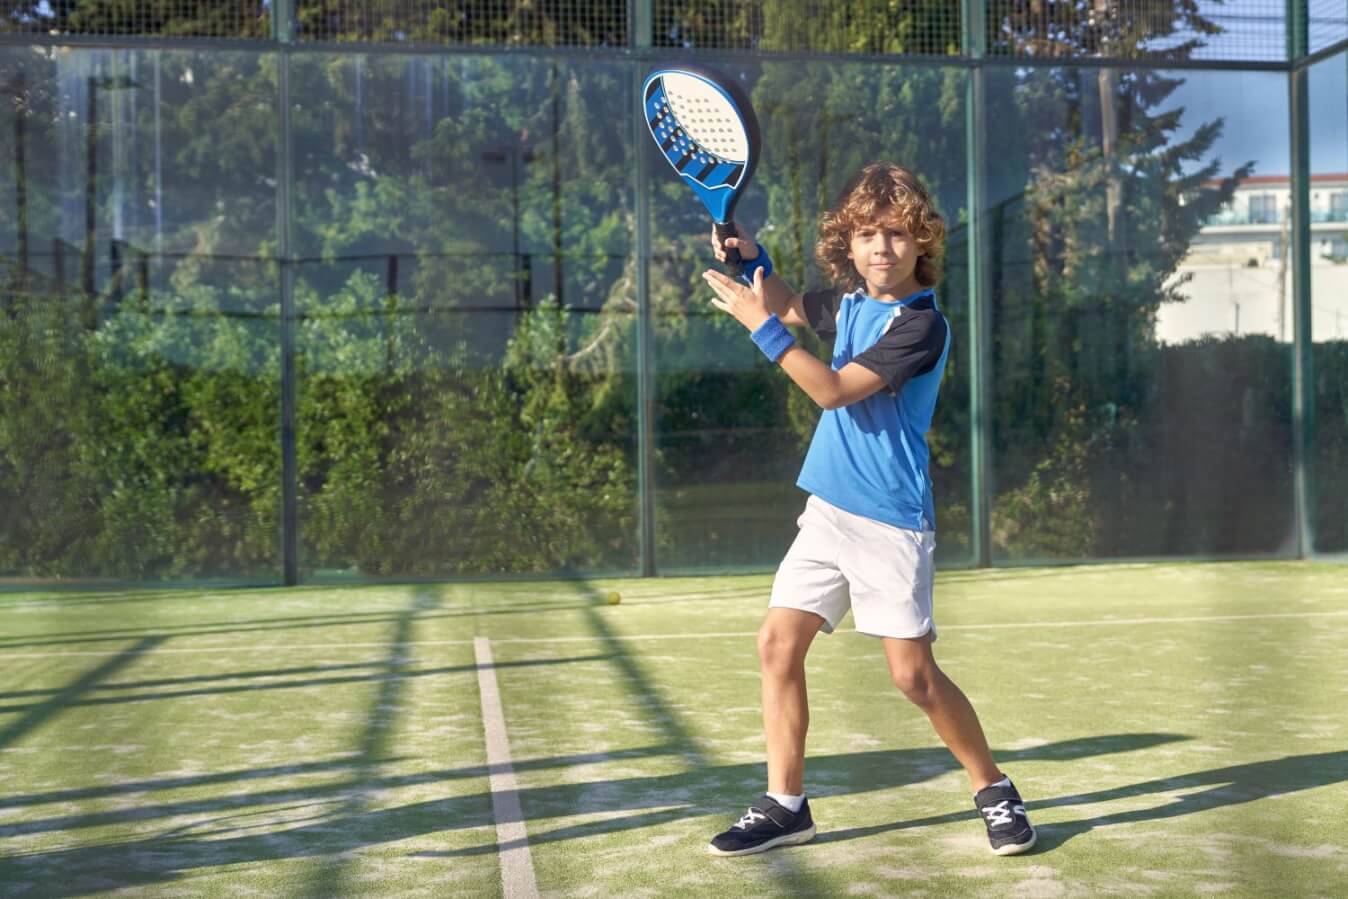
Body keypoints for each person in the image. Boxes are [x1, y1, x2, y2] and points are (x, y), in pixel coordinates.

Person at [701, 162, 1036, 858]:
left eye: (896, 234)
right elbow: (793, 303)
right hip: (828, 510)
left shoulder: (922, 326)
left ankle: (994, 788)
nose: (881, 246)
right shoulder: (850, 303)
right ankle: (786, 804)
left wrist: (758, 326)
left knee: (912, 676)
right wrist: (752, 255)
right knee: (776, 643)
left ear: (922, 244)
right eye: (866, 234)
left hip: (889, 520)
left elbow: (829, 389)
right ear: (847, 246)